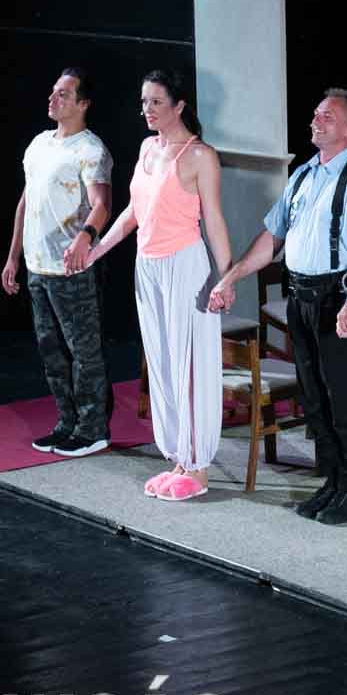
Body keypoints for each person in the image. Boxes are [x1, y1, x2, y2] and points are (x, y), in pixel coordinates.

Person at [207, 89, 347, 525]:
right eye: (316, 114)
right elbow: (272, 238)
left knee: (346, 398)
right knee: (315, 397)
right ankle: (333, 480)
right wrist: (232, 276)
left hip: (338, 299)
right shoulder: (303, 176)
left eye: (328, 116)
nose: (316, 120)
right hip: (301, 299)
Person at [81, 70, 232, 501]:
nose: (147, 109)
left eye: (156, 102)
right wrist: (96, 250)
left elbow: (214, 220)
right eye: (144, 102)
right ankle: (179, 458)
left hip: (186, 266)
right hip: (148, 267)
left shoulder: (200, 155)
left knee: (189, 366)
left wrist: (227, 278)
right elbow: (134, 211)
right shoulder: (147, 149)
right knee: (162, 365)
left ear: (179, 106)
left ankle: (198, 468)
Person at [1, 68, 113, 458]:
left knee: (83, 351)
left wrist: (85, 237)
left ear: (83, 104)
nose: (53, 99)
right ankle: (67, 421)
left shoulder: (90, 150)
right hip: (38, 266)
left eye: (63, 94)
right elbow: (26, 201)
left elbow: (102, 204)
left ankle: (93, 428)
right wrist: (13, 256)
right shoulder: (39, 145)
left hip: (72, 268)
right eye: (53, 92)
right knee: (52, 352)